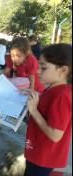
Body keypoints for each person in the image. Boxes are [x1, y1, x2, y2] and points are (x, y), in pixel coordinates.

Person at [24, 43, 72, 176]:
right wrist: (36, 96)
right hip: (38, 151)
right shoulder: (53, 88)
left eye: (43, 67)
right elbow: (47, 107)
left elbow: (55, 135)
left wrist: (33, 110)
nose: (38, 71)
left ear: (63, 70)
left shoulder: (62, 96)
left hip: (44, 157)